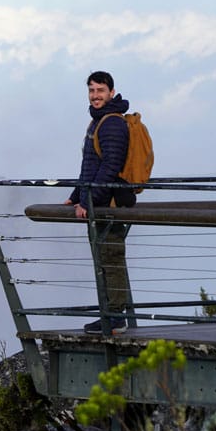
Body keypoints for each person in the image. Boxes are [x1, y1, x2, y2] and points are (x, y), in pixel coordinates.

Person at [64, 70, 136, 334]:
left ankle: (115, 317)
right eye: (92, 91)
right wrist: (75, 196)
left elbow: (110, 167)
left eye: (100, 91)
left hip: (110, 204)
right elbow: (90, 165)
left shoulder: (112, 123)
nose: (95, 96)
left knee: (111, 256)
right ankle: (110, 313)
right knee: (104, 258)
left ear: (111, 93)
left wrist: (89, 201)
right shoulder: (99, 121)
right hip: (100, 202)